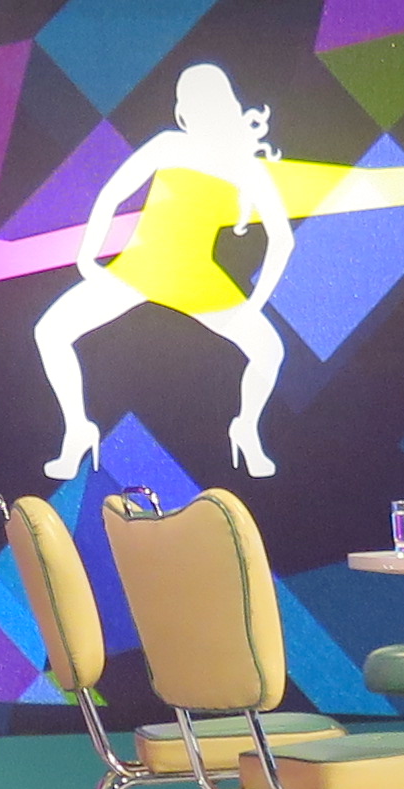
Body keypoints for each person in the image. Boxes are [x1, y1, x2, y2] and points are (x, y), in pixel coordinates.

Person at [36, 62, 298, 481]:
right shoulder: (170, 146)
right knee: (50, 332)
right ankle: (78, 432)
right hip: (142, 269)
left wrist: (254, 304)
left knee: (269, 351)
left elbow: (282, 240)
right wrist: (86, 258)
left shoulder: (243, 166)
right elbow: (110, 195)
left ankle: (245, 429)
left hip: (193, 280)